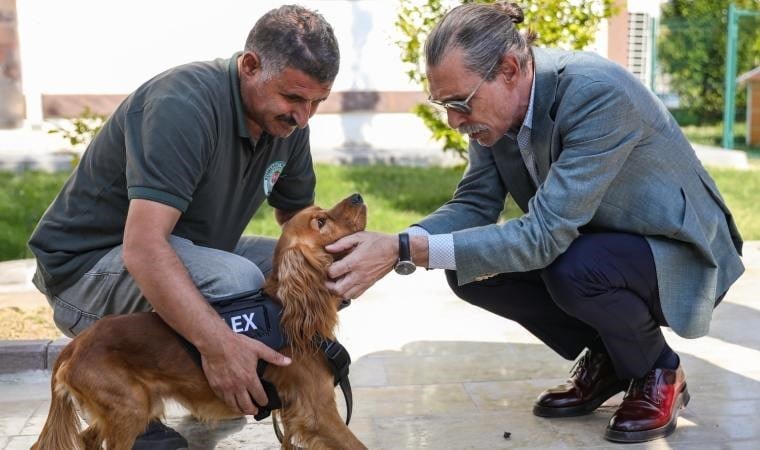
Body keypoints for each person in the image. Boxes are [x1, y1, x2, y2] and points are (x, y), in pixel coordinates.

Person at [326, 2, 744, 443]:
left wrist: (405, 251)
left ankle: (658, 370)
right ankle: (611, 355)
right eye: (442, 105)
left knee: (575, 269)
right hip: (600, 242)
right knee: (471, 271)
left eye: (459, 102)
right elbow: (474, 203)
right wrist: (401, 241)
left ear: (509, 68)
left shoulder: (596, 92)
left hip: (679, 251)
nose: (453, 120)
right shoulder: (494, 115)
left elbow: (544, 235)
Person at [28, 5, 339, 449]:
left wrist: (343, 259)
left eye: (316, 102)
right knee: (239, 279)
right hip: (87, 272)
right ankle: (148, 397)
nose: (304, 116)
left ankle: (285, 394)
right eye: (294, 98)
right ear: (250, 65)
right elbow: (144, 248)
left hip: (179, 251)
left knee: (317, 270)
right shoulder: (183, 104)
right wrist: (218, 348)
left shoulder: (288, 122)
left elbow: (299, 223)